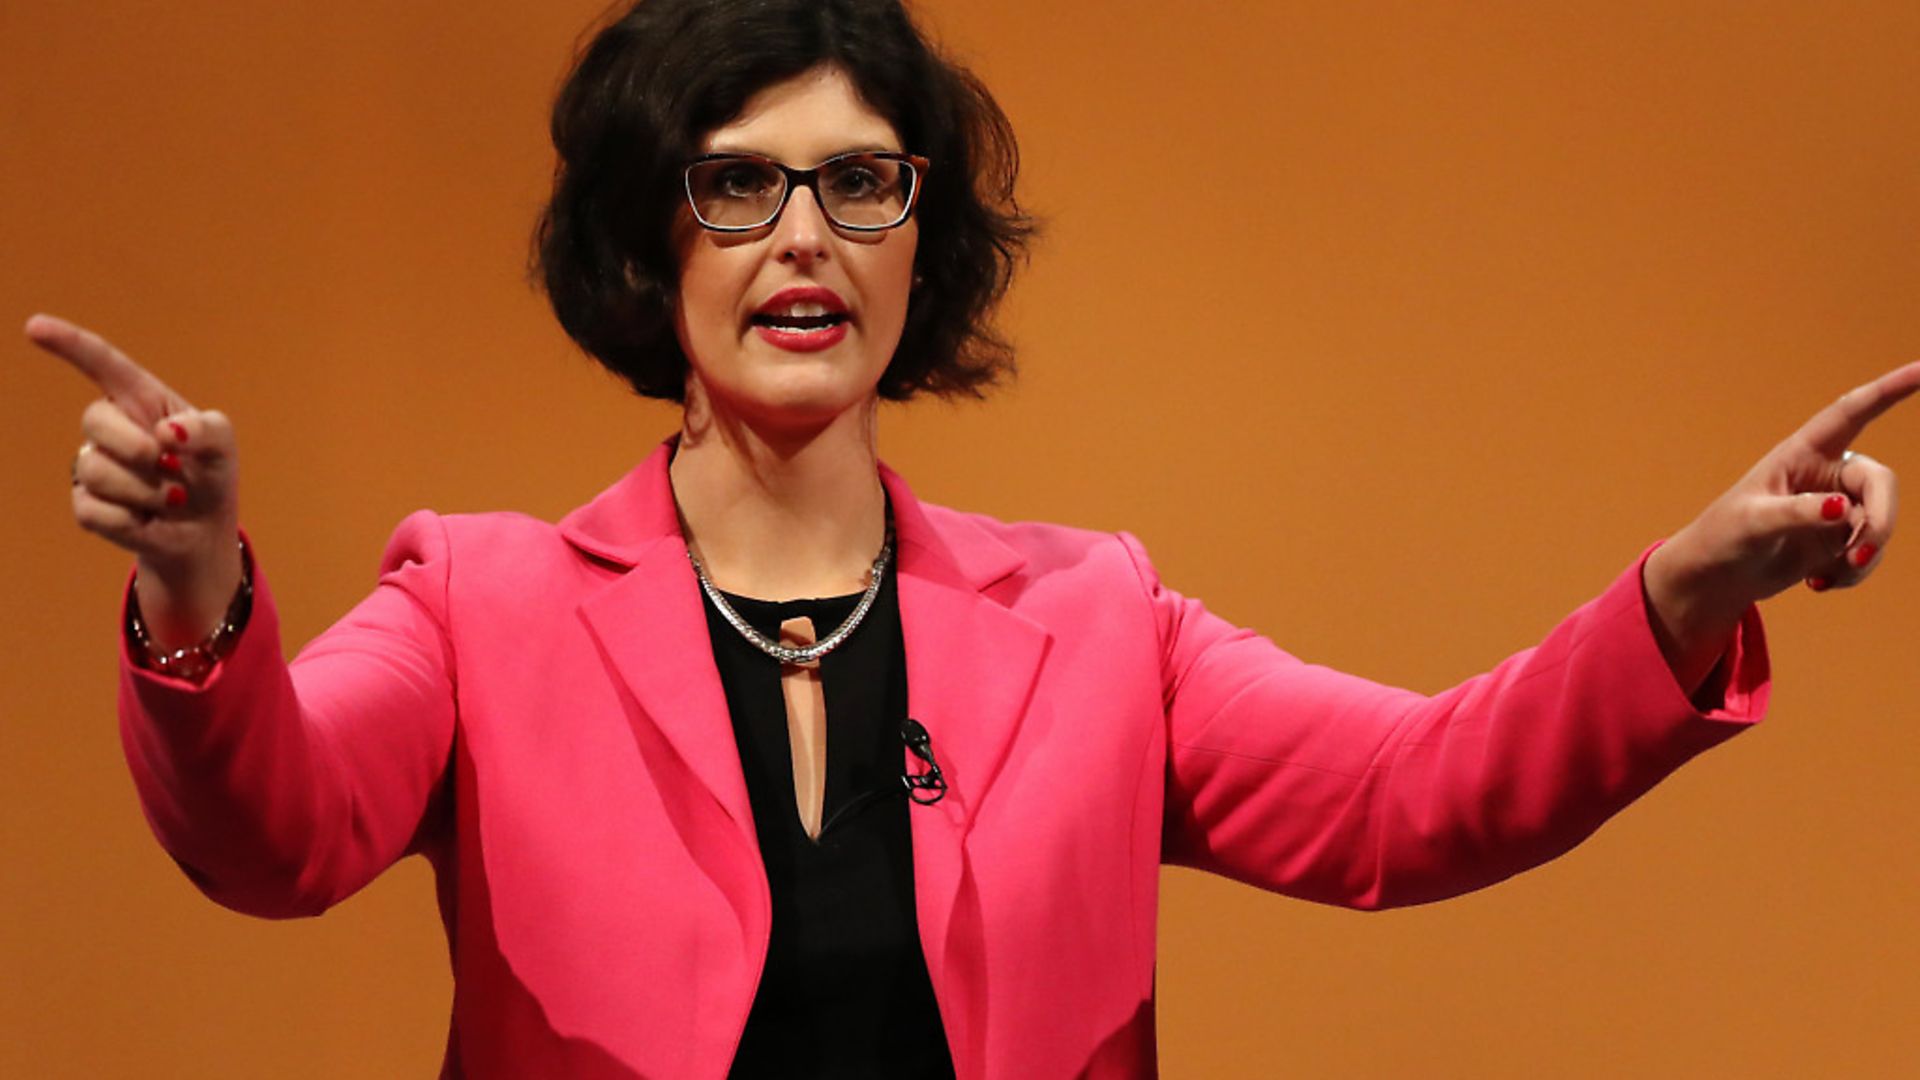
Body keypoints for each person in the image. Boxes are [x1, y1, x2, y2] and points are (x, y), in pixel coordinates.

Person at [24, 0, 1918, 1077]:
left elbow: (1418, 797)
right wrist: (195, 605)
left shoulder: (1096, 619)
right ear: (640, 245)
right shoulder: (480, 599)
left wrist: (1686, 591)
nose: (802, 237)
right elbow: (274, 836)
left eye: (860, 183)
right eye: (737, 185)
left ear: (920, 247)